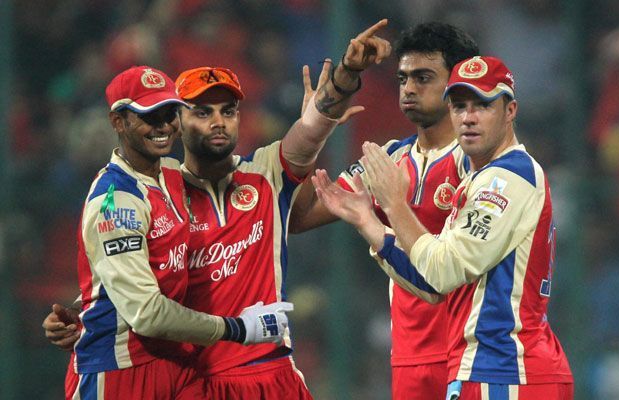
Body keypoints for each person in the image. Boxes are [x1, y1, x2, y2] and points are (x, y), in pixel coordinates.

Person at [44, 20, 391, 399]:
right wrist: (87, 318)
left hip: (270, 370)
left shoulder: (265, 172)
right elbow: (133, 278)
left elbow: (312, 125)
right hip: (196, 379)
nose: (218, 122)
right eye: (202, 112)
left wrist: (347, 73)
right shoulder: (157, 191)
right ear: (180, 121)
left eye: (228, 111)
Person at [312, 55, 574, 399]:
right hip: (483, 370)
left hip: (507, 372)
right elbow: (432, 284)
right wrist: (367, 220)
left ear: (510, 111)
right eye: (459, 106)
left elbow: (443, 270)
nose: (468, 117)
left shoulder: (507, 178)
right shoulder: (482, 180)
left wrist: (395, 204)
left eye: (482, 105)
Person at [66, 65, 293, 400]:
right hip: (117, 372)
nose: (163, 126)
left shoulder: (171, 177)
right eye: (149, 115)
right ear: (118, 122)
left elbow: (141, 269)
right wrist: (238, 328)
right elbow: (146, 313)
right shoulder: (114, 203)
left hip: (175, 366)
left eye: (170, 112)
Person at [290, 22, 478, 399]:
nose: (408, 88)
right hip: (407, 359)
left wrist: (374, 217)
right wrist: (315, 128)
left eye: (423, 77)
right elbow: (299, 215)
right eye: (403, 78)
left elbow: (449, 273)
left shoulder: (478, 163)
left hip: (469, 357)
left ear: (457, 85)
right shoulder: (389, 157)